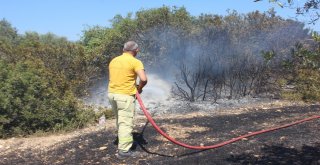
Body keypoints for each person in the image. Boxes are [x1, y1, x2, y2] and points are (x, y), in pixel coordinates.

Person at [108, 41, 148, 159]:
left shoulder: (114, 60)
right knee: (126, 122)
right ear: (136, 50)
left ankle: (122, 141)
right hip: (125, 96)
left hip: (112, 94)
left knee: (120, 120)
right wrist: (139, 88)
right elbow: (144, 79)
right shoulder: (135, 62)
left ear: (124, 49)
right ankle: (124, 151)